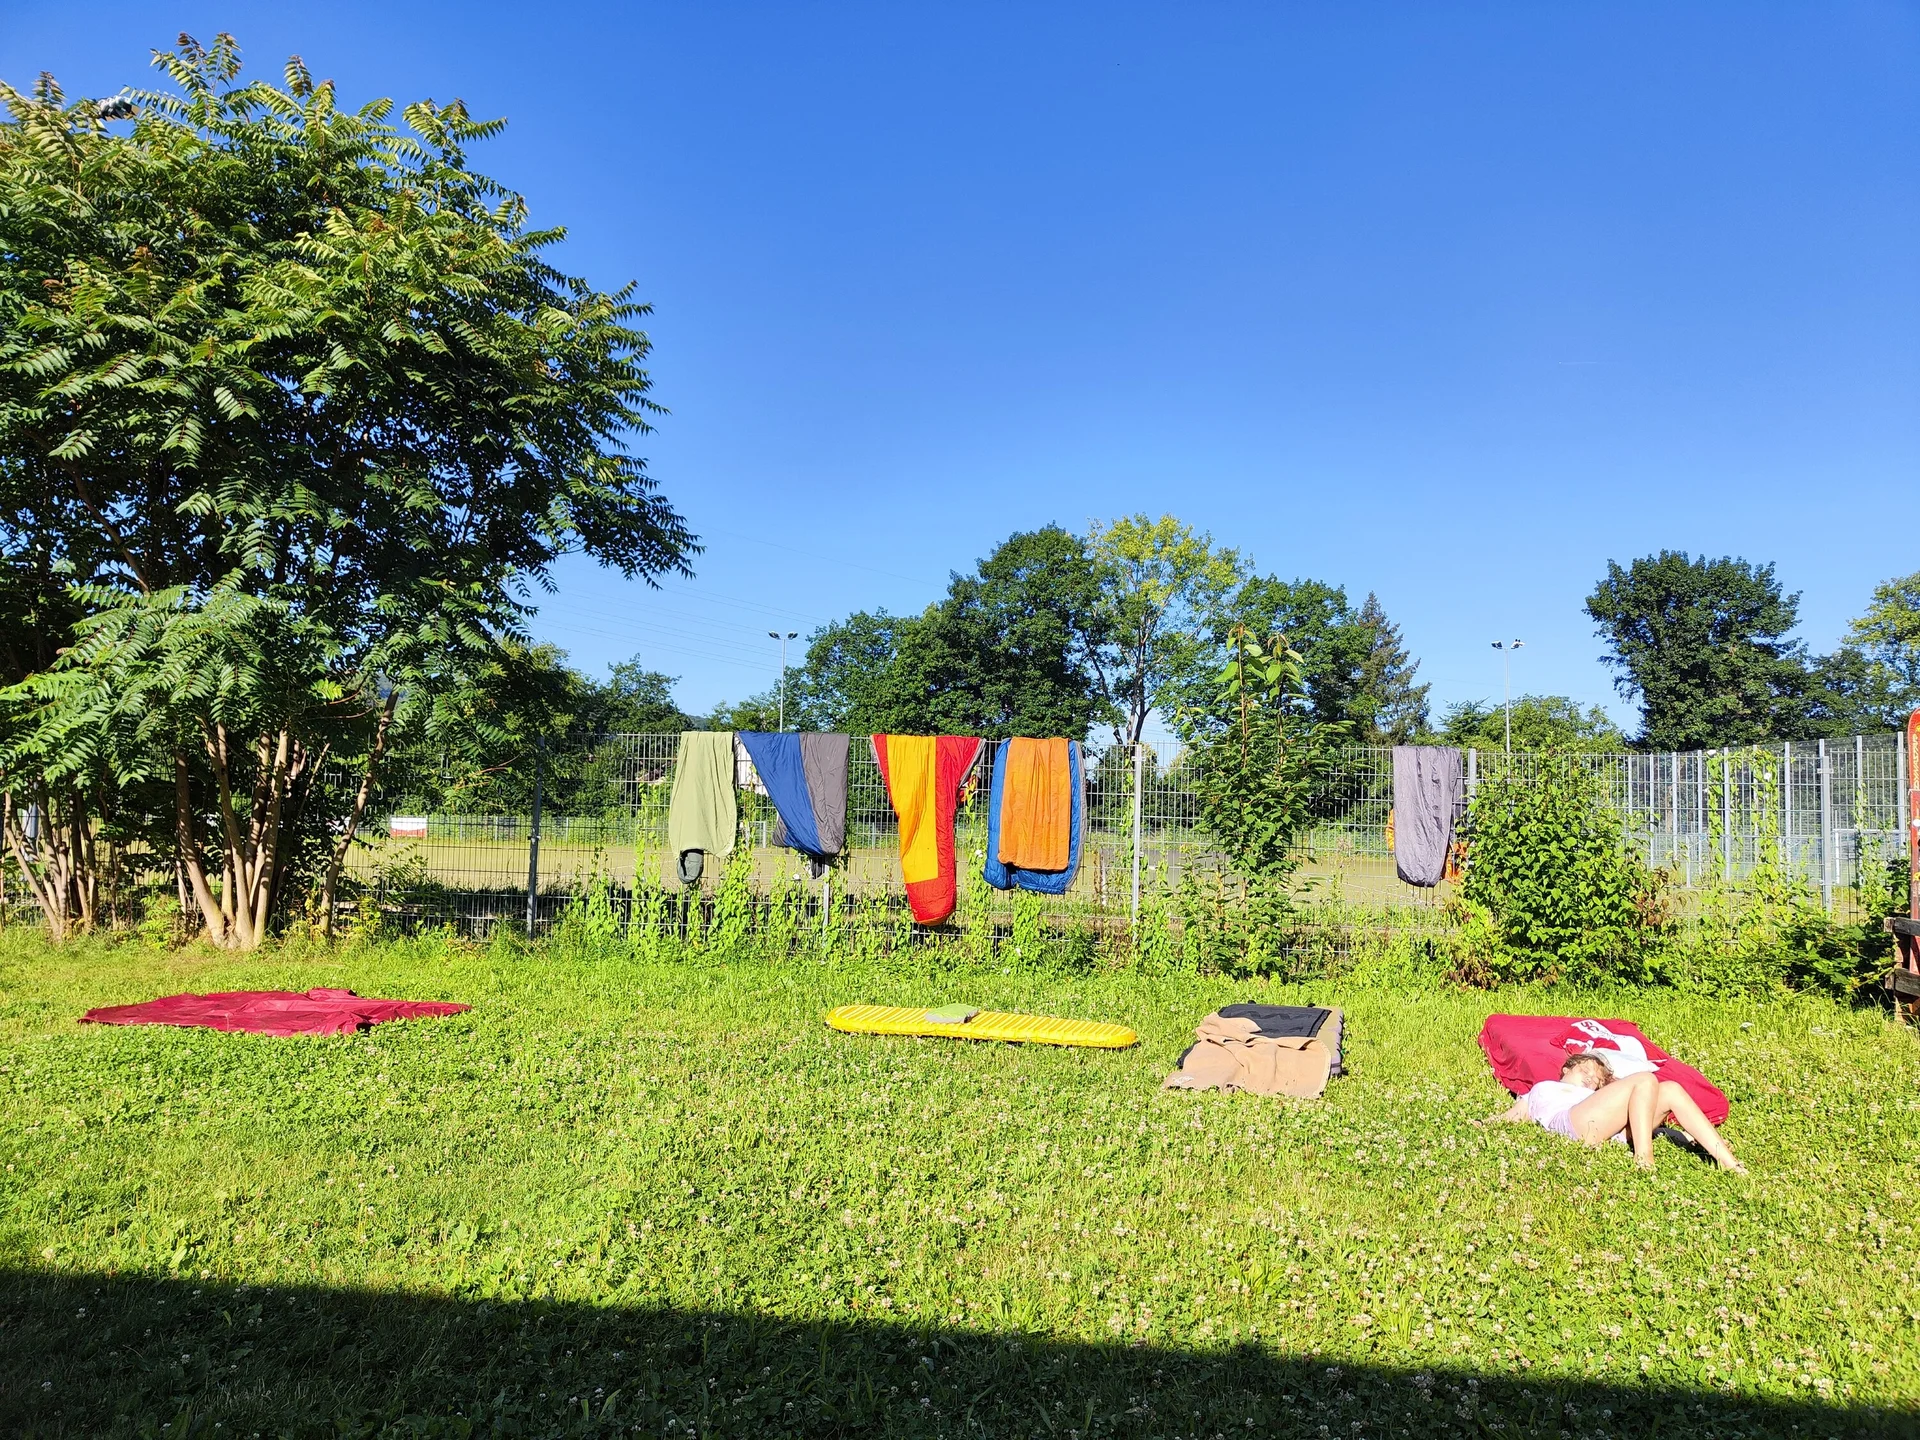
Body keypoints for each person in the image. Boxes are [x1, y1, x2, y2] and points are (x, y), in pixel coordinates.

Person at [1479, 1052, 1746, 1173]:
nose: (1589, 1078)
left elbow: (1645, 1119)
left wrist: (1678, 1136)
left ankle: (1728, 1162)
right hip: (1572, 1121)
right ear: (1566, 1069)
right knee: (1645, 1080)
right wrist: (1484, 1124)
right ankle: (1644, 1160)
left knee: (1671, 1089)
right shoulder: (1545, 1088)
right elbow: (1515, 1114)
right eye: (1584, 1070)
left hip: (1606, 1127)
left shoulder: (1596, 1097)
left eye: (1596, 1080)